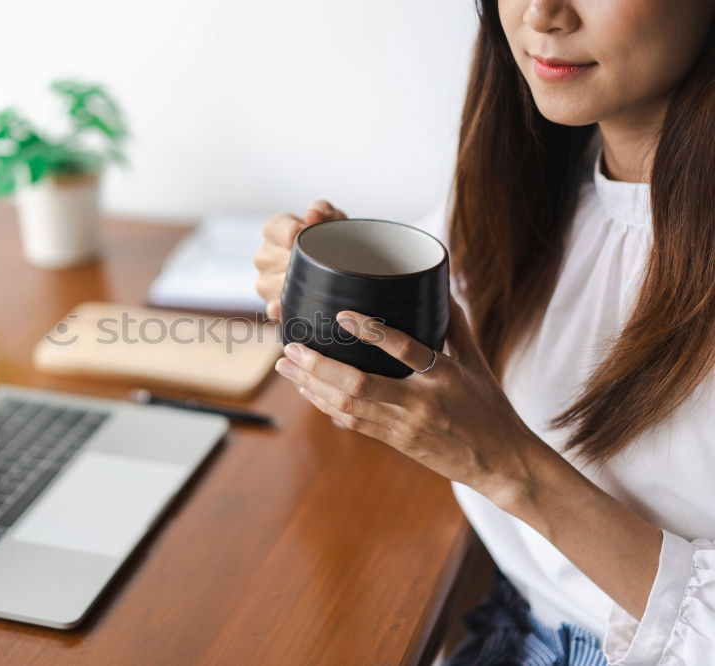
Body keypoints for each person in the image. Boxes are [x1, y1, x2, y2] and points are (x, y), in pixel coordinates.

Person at [253, 1, 715, 664]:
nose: (542, 13)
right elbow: (432, 353)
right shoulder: (529, 176)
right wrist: (322, 288)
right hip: (508, 630)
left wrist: (510, 467)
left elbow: (488, 448)